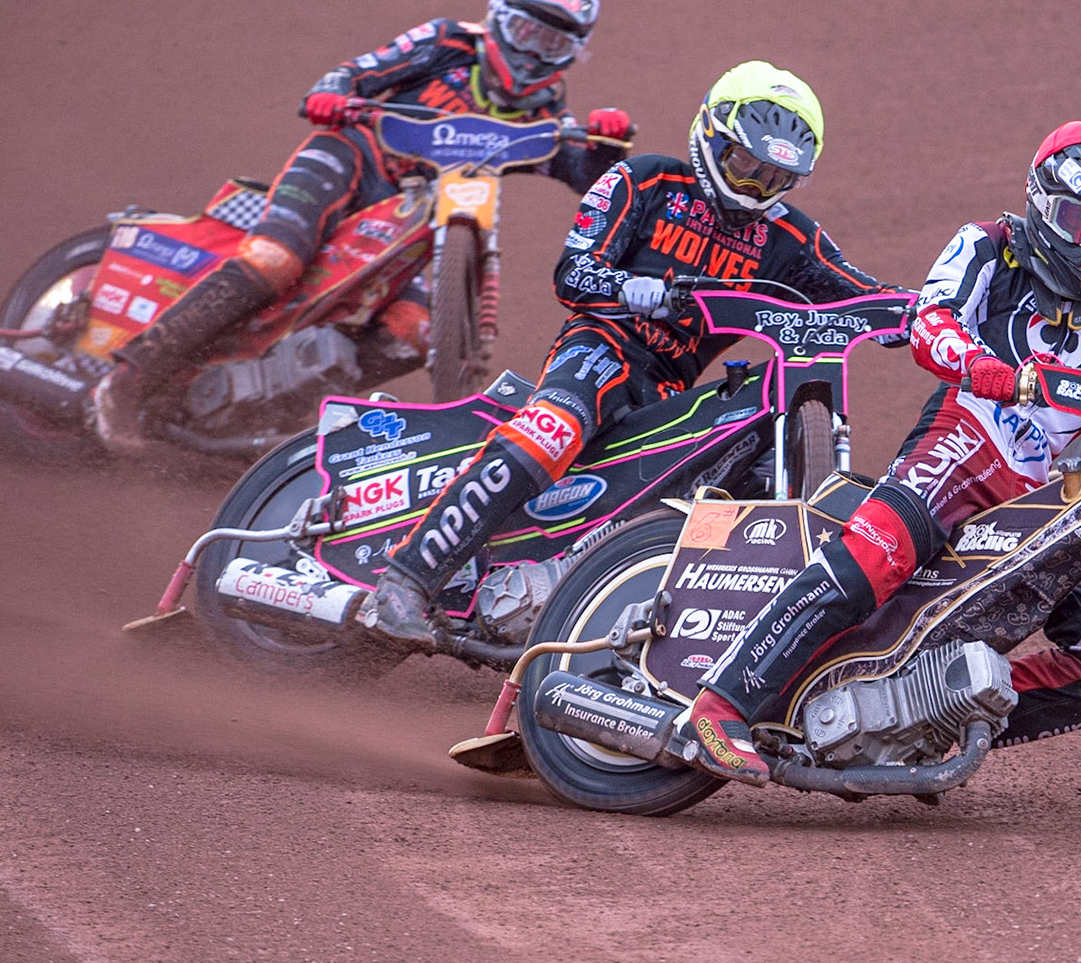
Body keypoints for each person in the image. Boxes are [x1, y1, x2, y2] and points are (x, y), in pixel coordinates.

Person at [680, 121, 1081, 785]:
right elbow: (930, 323)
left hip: (1042, 491)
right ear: (1042, 204)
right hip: (964, 437)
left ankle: (933, 718)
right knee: (878, 553)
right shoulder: (987, 248)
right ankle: (722, 701)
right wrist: (980, 365)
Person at [368, 61, 890, 642]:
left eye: (773, 179)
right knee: (553, 428)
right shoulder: (643, 182)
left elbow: (865, 294)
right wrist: (623, 287)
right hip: (601, 348)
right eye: (746, 165)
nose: (754, 188)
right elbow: (571, 274)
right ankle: (406, 580)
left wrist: (932, 313)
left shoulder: (791, 239)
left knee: (730, 479)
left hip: (670, 391)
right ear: (711, 136)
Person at [88, 0, 634, 449]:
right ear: (497, 16)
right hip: (351, 160)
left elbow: (588, 179)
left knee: (414, 330)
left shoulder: (545, 113)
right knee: (276, 261)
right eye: (525, 31)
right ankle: (128, 379)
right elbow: (356, 73)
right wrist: (332, 94)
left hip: (420, 224)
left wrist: (605, 145)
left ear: (575, 53)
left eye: (554, 44)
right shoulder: (446, 43)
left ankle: (264, 411)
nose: (535, 53)